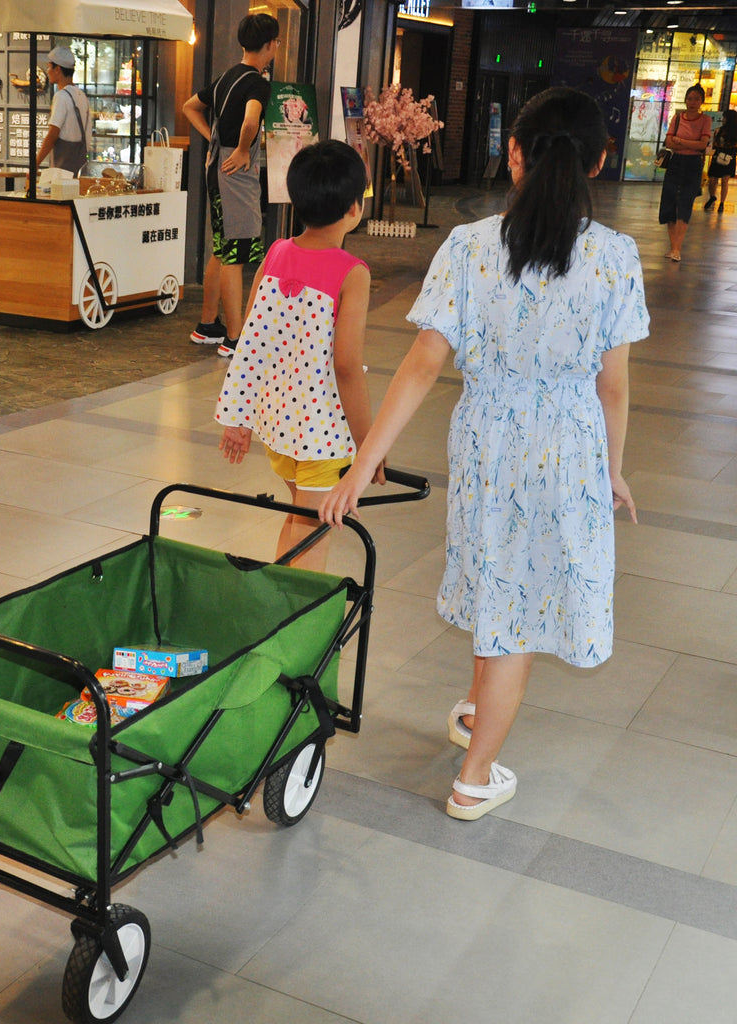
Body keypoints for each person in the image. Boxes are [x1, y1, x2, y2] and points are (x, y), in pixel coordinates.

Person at [319, 88, 649, 821]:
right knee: (519, 614)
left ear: (515, 154)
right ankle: (475, 776)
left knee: (501, 582)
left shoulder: (468, 247)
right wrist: (611, 469)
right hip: (567, 447)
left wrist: (365, 462)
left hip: (486, 443)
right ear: (598, 161)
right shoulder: (613, 257)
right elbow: (614, 387)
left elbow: (420, 366)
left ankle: (477, 713)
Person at [216, 140, 385, 571]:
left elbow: (252, 341)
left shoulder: (276, 253)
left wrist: (240, 416)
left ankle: (280, 610)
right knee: (314, 529)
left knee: (300, 516)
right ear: (353, 207)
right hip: (322, 434)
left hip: (280, 425)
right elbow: (347, 366)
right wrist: (369, 447)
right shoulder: (352, 272)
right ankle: (298, 629)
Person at [183, 14, 280, 358]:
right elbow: (252, 119)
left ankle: (208, 325)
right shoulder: (257, 83)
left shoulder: (225, 77)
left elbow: (190, 107)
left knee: (221, 249)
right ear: (269, 44)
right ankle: (235, 338)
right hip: (234, 176)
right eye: (276, 42)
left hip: (216, 168)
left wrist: (214, 139)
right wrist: (240, 149)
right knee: (235, 255)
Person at [659, 84, 711, 261]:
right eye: (690, 98)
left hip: (693, 165)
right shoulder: (677, 118)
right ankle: (674, 247)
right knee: (669, 201)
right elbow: (669, 143)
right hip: (676, 162)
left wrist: (680, 141)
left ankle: (677, 248)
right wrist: (689, 143)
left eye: (696, 99)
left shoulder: (705, 120)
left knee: (685, 202)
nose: (692, 102)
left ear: (701, 101)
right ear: (685, 100)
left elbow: (703, 145)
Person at [35, 46, 92, 177]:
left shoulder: (61, 96)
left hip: (62, 172)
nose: (47, 71)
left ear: (58, 69)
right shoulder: (81, 95)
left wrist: (36, 163)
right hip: (79, 170)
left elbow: (53, 135)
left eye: (49, 67)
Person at [705, 109, 737, 212]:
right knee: (721, 180)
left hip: (720, 156)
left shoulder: (719, 131)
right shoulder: (720, 131)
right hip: (729, 157)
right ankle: (717, 200)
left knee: (717, 179)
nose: (723, 119)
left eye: (724, 117)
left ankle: (717, 200)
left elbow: (715, 144)